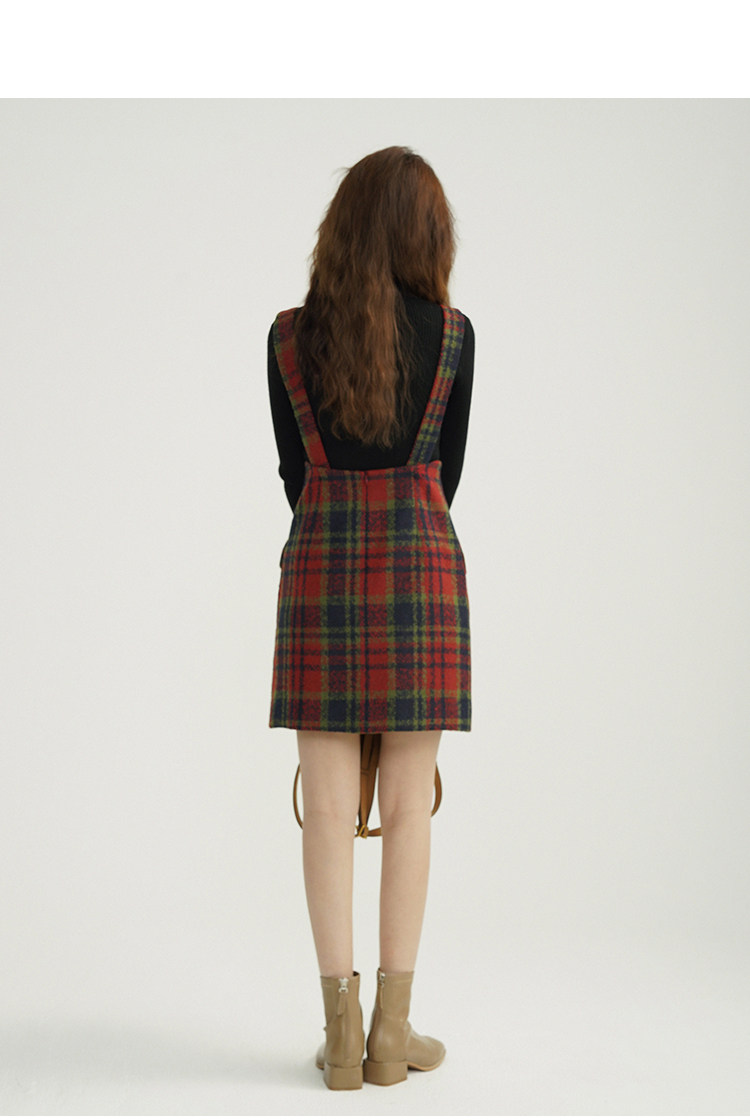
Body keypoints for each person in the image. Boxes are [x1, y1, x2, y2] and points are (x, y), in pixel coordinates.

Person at [266, 146, 474, 1090]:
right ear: (426, 237)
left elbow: (293, 475)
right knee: (409, 804)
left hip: (321, 567)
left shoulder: (287, 338)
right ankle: (394, 1031)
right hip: (420, 573)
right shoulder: (455, 337)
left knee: (323, 809)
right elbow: (448, 473)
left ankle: (340, 1035)